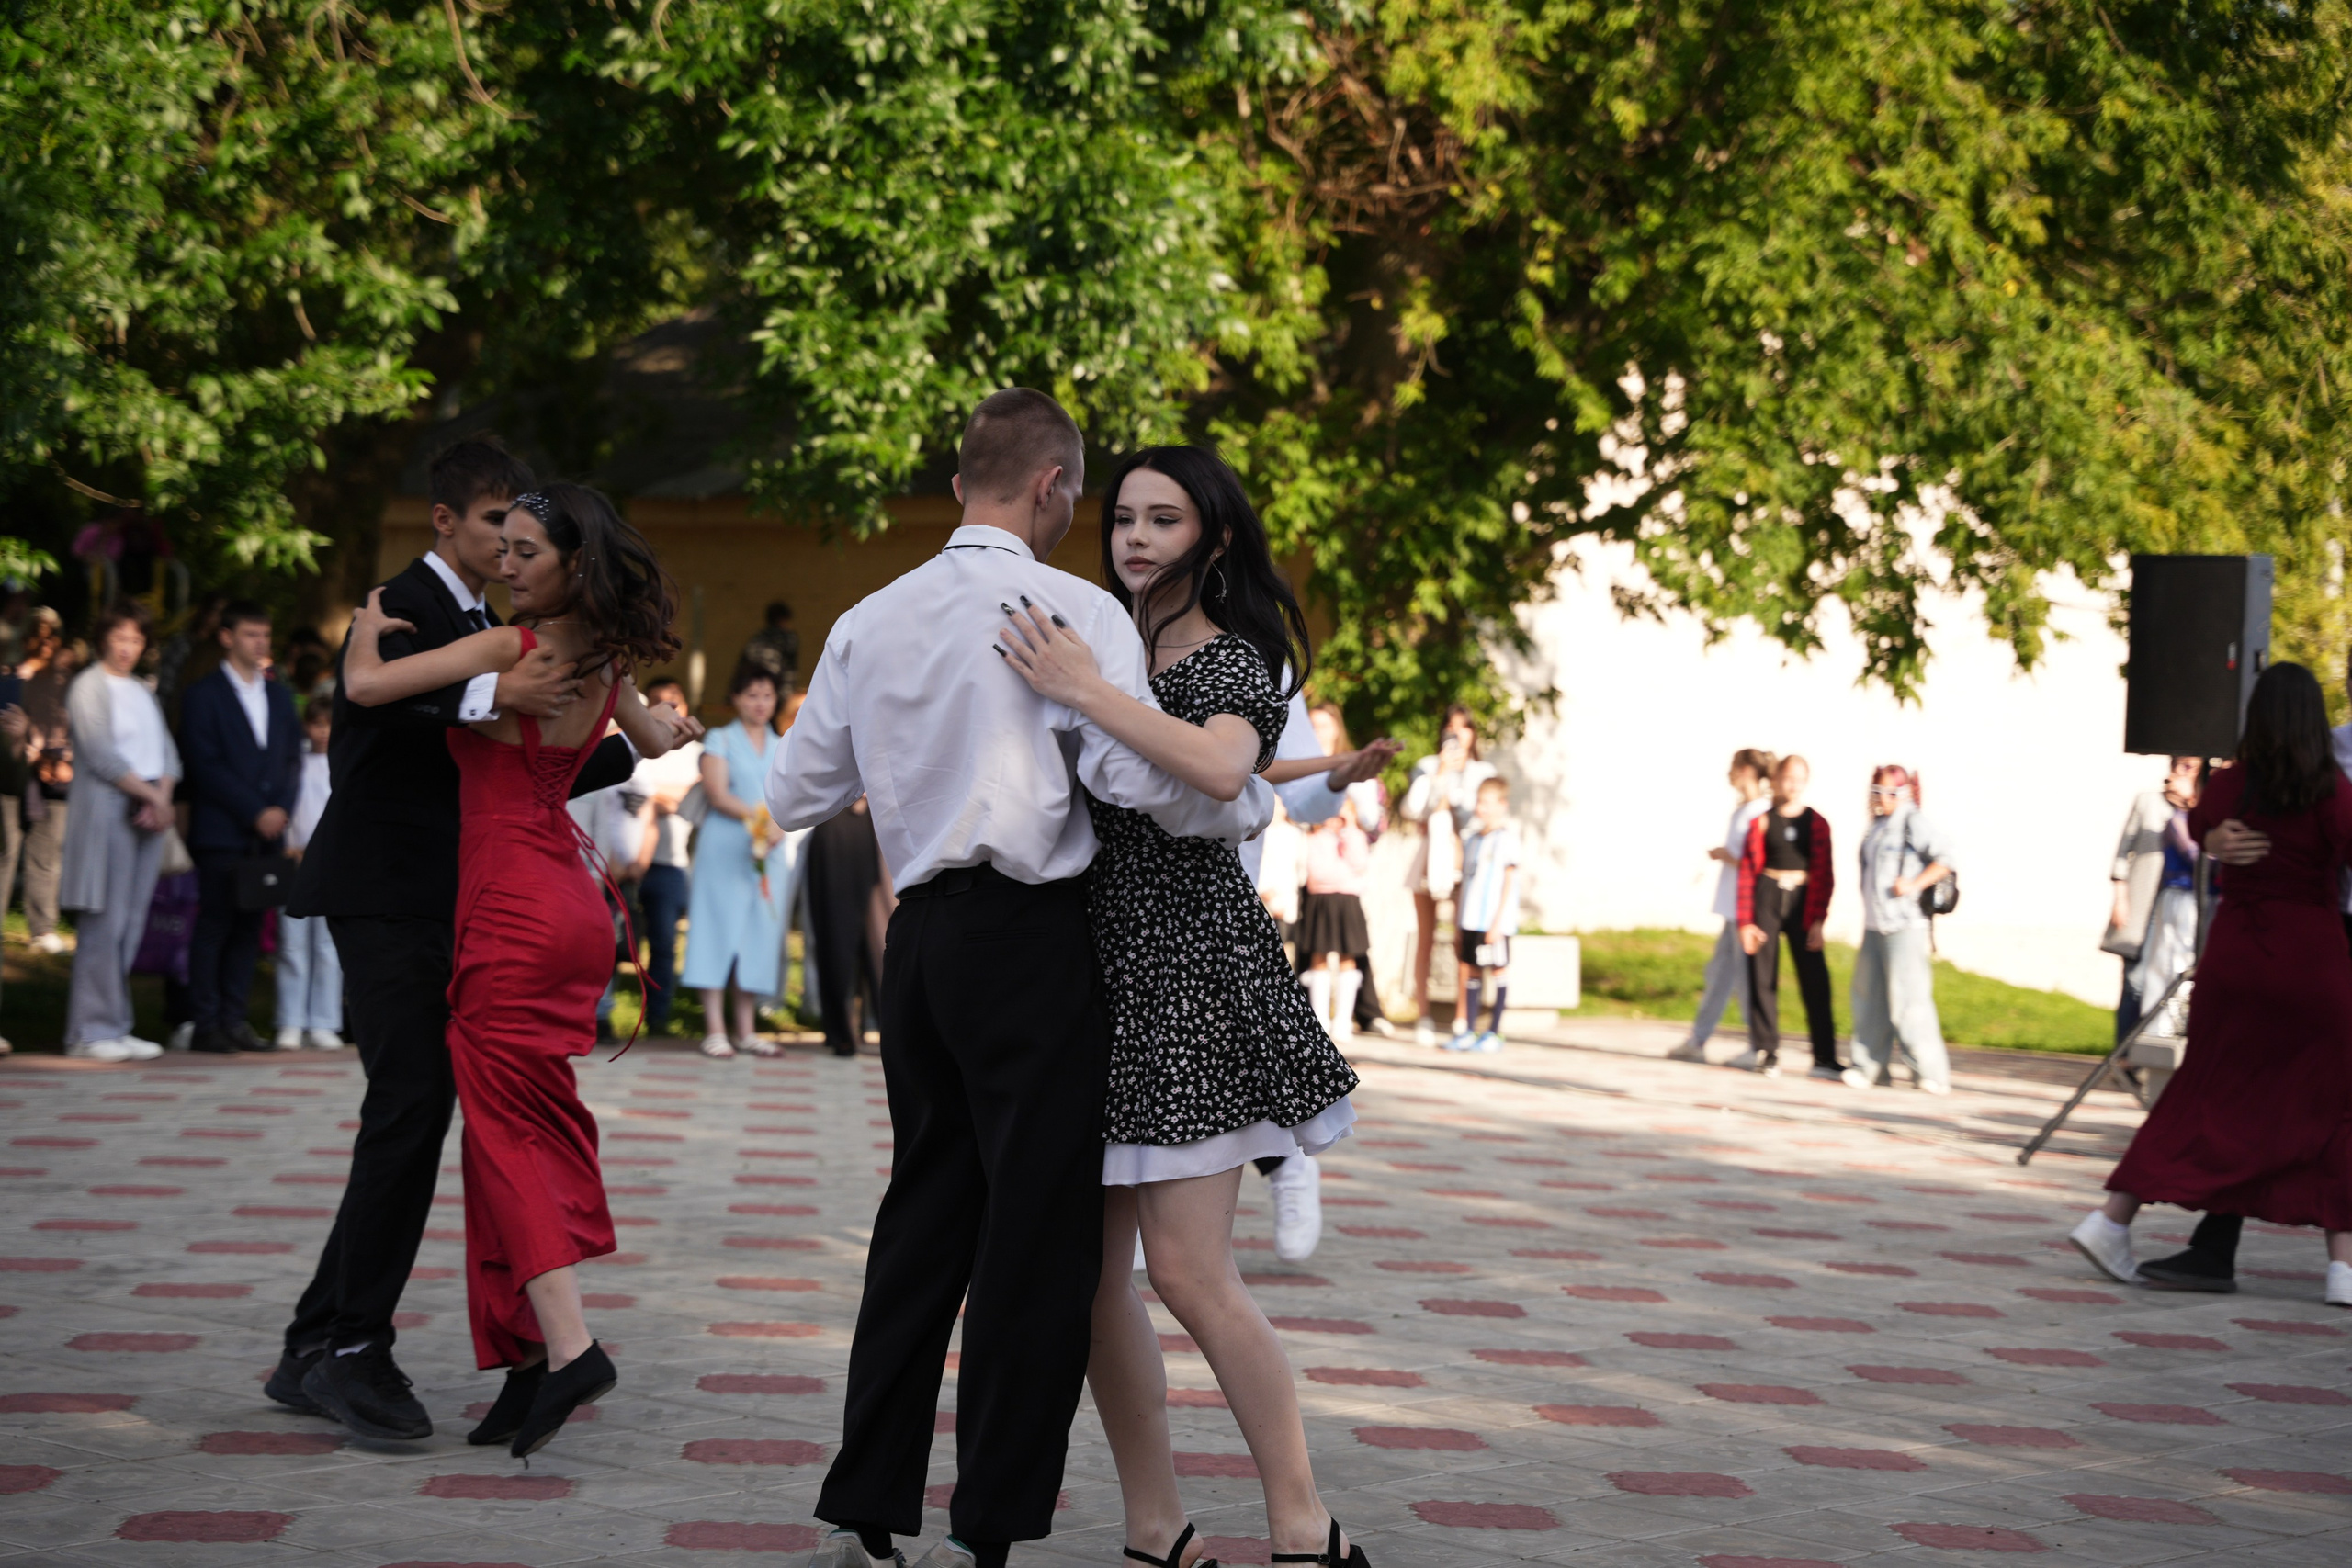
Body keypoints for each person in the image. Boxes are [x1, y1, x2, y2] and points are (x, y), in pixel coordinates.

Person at [768, 392, 1277, 1568]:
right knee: (1035, 1243)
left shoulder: (867, 618)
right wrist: (1244, 798)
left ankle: (863, 1513)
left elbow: (795, 795)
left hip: (918, 946)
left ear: (961, 485)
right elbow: (1136, 782)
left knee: (919, 1223)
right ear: (1054, 486)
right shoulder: (1075, 612)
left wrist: (908, 766)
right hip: (1033, 943)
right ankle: (987, 1529)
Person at [995, 441, 1372, 1568]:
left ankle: (1303, 1521)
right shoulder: (1090, 635)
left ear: (1212, 538)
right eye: (1123, 518)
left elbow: (1218, 769)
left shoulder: (1231, 659)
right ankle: (1154, 1528)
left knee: (1189, 1273)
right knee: (1090, 1279)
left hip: (1191, 979)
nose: (1135, 539)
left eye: (1163, 520)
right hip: (1081, 976)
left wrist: (1084, 691)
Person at [268, 438, 628, 1444]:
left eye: (523, 536)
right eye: (494, 527)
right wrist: (491, 695)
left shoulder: (494, 621)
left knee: (433, 1109)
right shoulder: (403, 603)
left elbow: (525, 757)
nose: (508, 548)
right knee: (413, 1104)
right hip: (390, 892)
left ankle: (319, 1340)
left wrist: (589, 737)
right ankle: (350, 1345)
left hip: (470, 900)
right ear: (445, 521)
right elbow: (371, 711)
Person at [340, 479, 700, 1454]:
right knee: (511, 1129)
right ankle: (528, 1359)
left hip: (510, 905)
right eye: (503, 546)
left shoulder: (513, 648)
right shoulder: (605, 657)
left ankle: (572, 1345)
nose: (506, 563)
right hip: (569, 904)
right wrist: (666, 725)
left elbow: (367, 690)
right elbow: (655, 738)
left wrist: (365, 633)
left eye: (526, 550)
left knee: (504, 1137)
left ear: (574, 563)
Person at [2067, 661, 2352, 1307]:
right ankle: (2343, 1268)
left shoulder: (2230, 785)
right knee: (2330, 1105)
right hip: (2312, 961)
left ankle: (2111, 1220)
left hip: (2237, 958)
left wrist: (2220, 838)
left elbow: (2197, 827)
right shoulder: (2331, 789)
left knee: (2202, 1093)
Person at [178, 600, 302, 1055]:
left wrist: (280, 808)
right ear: (227, 637)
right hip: (222, 829)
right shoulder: (202, 695)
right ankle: (205, 1022)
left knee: (251, 927)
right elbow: (204, 764)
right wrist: (255, 811)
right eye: (251, 634)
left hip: (269, 831)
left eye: (265, 635)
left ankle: (235, 1019)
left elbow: (292, 759)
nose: (260, 643)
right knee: (215, 924)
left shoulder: (279, 695)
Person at [58, 602, 178, 1062]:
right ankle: (88, 1031)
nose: (128, 647)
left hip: (148, 814)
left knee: (130, 922)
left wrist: (160, 796)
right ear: (104, 638)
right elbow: (101, 755)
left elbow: (167, 752)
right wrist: (153, 798)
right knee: (104, 922)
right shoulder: (88, 686)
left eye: (136, 639)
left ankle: (115, 1024)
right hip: (109, 812)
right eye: (120, 638)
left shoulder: (143, 691)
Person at [683, 661, 790, 1058]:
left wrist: (778, 827)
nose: (760, 703)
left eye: (767, 695)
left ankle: (746, 1029)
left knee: (759, 930)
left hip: (768, 851)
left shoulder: (784, 745)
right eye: (752, 695)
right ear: (736, 699)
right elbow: (718, 793)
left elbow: (792, 798)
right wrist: (762, 820)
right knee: (716, 926)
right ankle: (715, 1028)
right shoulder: (720, 738)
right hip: (725, 847)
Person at [1845, 765, 1955, 1094]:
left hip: (1904, 924)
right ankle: (1869, 1067)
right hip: (1875, 924)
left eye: (1892, 792)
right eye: (1877, 791)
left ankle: (1930, 1072)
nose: (1884, 798)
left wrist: (1914, 884)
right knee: (1869, 998)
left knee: (1909, 1000)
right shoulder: (1877, 825)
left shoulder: (1913, 821)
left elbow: (1945, 858)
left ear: (1906, 793)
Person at [1667, 749, 1775, 1064]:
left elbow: (1760, 861)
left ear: (1746, 770)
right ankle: (1698, 1040)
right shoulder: (1742, 810)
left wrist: (1729, 857)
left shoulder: (1761, 811)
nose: (1730, 774)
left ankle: (1759, 1046)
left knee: (1746, 979)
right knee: (1719, 976)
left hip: (1746, 910)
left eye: (1734, 768)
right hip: (1731, 908)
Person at [1736, 753, 1838, 1078]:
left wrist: (1819, 920)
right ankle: (1767, 1051)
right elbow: (1747, 873)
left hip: (1802, 900)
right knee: (1762, 976)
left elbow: (1825, 874)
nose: (1793, 785)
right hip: (1767, 896)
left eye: (1799, 779)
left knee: (1815, 979)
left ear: (1806, 782)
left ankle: (1824, 1058)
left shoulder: (1816, 823)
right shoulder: (1761, 822)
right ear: (1777, 780)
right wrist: (1745, 922)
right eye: (1787, 778)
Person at [1400, 706, 1495, 1043]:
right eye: (1451, 727)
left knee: (1461, 938)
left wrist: (1452, 803)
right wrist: (1440, 774)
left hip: (1465, 861)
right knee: (1425, 938)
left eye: (1464, 727)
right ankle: (1423, 1015)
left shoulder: (1483, 772)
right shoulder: (1426, 766)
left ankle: (1462, 1016)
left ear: (1473, 733)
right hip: (1430, 859)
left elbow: (1479, 818)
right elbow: (1414, 810)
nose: (1457, 734)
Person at [2105, 755, 2200, 1042]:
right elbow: (2123, 852)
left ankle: (2156, 1045)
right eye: (2179, 765)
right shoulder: (2148, 801)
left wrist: (2190, 804)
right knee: (2135, 981)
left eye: (2190, 767)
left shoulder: (2203, 808)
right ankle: (2125, 1051)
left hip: (2180, 908)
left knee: (2170, 980)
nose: (2181, 772)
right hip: (2142, 901)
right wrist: (2120, 897)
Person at [627, 676, 700, 1035]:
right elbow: (626, 789)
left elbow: (689, 799)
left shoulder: (697, 754)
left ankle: (657, 1019)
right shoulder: (636, 744)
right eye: (660, 701)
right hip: (625, 859)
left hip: (671, 862)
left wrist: (650, 797)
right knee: (614, 941)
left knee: (665, 945)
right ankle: (601, 1017)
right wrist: (664, 798)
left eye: (676, 700)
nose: (671, 708)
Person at [275, 696, 343, 1049]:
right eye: (317, 724)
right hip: (296, 861)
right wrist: (289, 846)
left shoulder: (344, 763)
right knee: (292, 944)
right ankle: (291, 1020)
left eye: (330, 724)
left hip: (332, 862)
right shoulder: (295, 765)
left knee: (328, 946)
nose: (324, 732)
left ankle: (323, 1022)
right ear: (306, 726)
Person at [803, 795, 883, 1057]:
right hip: (836, 826)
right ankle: (841, 1030)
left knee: (878, 939)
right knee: (836, 936)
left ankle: (881, 1026)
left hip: (873, 828)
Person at [1446, 774, 1521, 1053]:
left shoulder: (1507, 840)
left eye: (1487, 802)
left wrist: (1498, 922)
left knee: (1498, 970)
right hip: (1470, 920)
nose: (1482, 808)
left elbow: (1509, 882)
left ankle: (1494, 1032)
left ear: (1502, 805)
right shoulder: (1473, 840)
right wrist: (1458, 922)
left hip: (1493, 922)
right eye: (1479, 802)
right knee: (1472, 971)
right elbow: (1466, 883)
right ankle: (1469, 1030)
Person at [17, 613, 75, 954]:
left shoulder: (67, 682)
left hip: (58, 777)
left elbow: (76, 727)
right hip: (16, 772)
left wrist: (67, 761)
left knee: (48, 854)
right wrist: (35, 758)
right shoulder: (16, 677)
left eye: (51, 637)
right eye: (38, 636)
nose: (45, 644)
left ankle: (42, 929)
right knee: (6, 851)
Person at [1297, 803, 1372, 1038]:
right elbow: (1317, 872)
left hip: (1348, 901)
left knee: (1348, 957)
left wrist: (1349, 829)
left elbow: (1360, 864)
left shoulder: (1355, 837)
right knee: (1318, 956)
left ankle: (1343, 1021)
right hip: (1321, 900)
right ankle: (1320, 1020)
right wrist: (1343, 874)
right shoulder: (1314, 839)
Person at [740, 599, 800, 688]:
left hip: (749, 688)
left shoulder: (756, 639)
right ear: (784, 619)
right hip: (774, 687)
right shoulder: (788, 638)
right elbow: (790, 671)